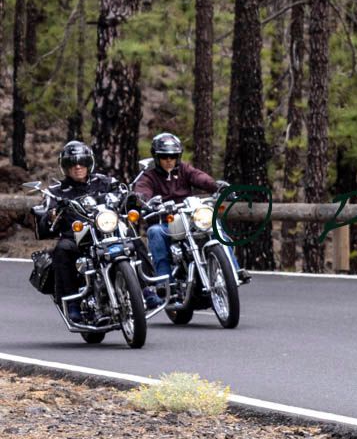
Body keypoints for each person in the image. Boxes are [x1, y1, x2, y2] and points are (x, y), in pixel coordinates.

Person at [132, 132, 241, 299]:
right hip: (165, 220)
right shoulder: (149, 176)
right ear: (156, 156)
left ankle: (234, 269)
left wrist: (216, 187)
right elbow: (142, 190)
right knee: (154, 232)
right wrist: (144, 200)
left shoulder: (184, 169)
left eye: (173, 156)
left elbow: (199, 177)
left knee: (214, 224)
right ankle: (164, 281)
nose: (169, 160)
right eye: (164, 156)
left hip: (189, 216)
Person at [32, 142, 132, 322]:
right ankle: (71, 303)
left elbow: (124, 191)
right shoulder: (56, 191)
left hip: (106, 232)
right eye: (72, 163)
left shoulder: (104, 182)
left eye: (82, 161)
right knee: (62, 249)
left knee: (133, 240)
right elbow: (45, 215)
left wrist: (132, 197)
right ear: (65, 167)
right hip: (77, 239)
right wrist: (51, 214)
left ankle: (146, 289)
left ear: (89, 163)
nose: (78, 166)